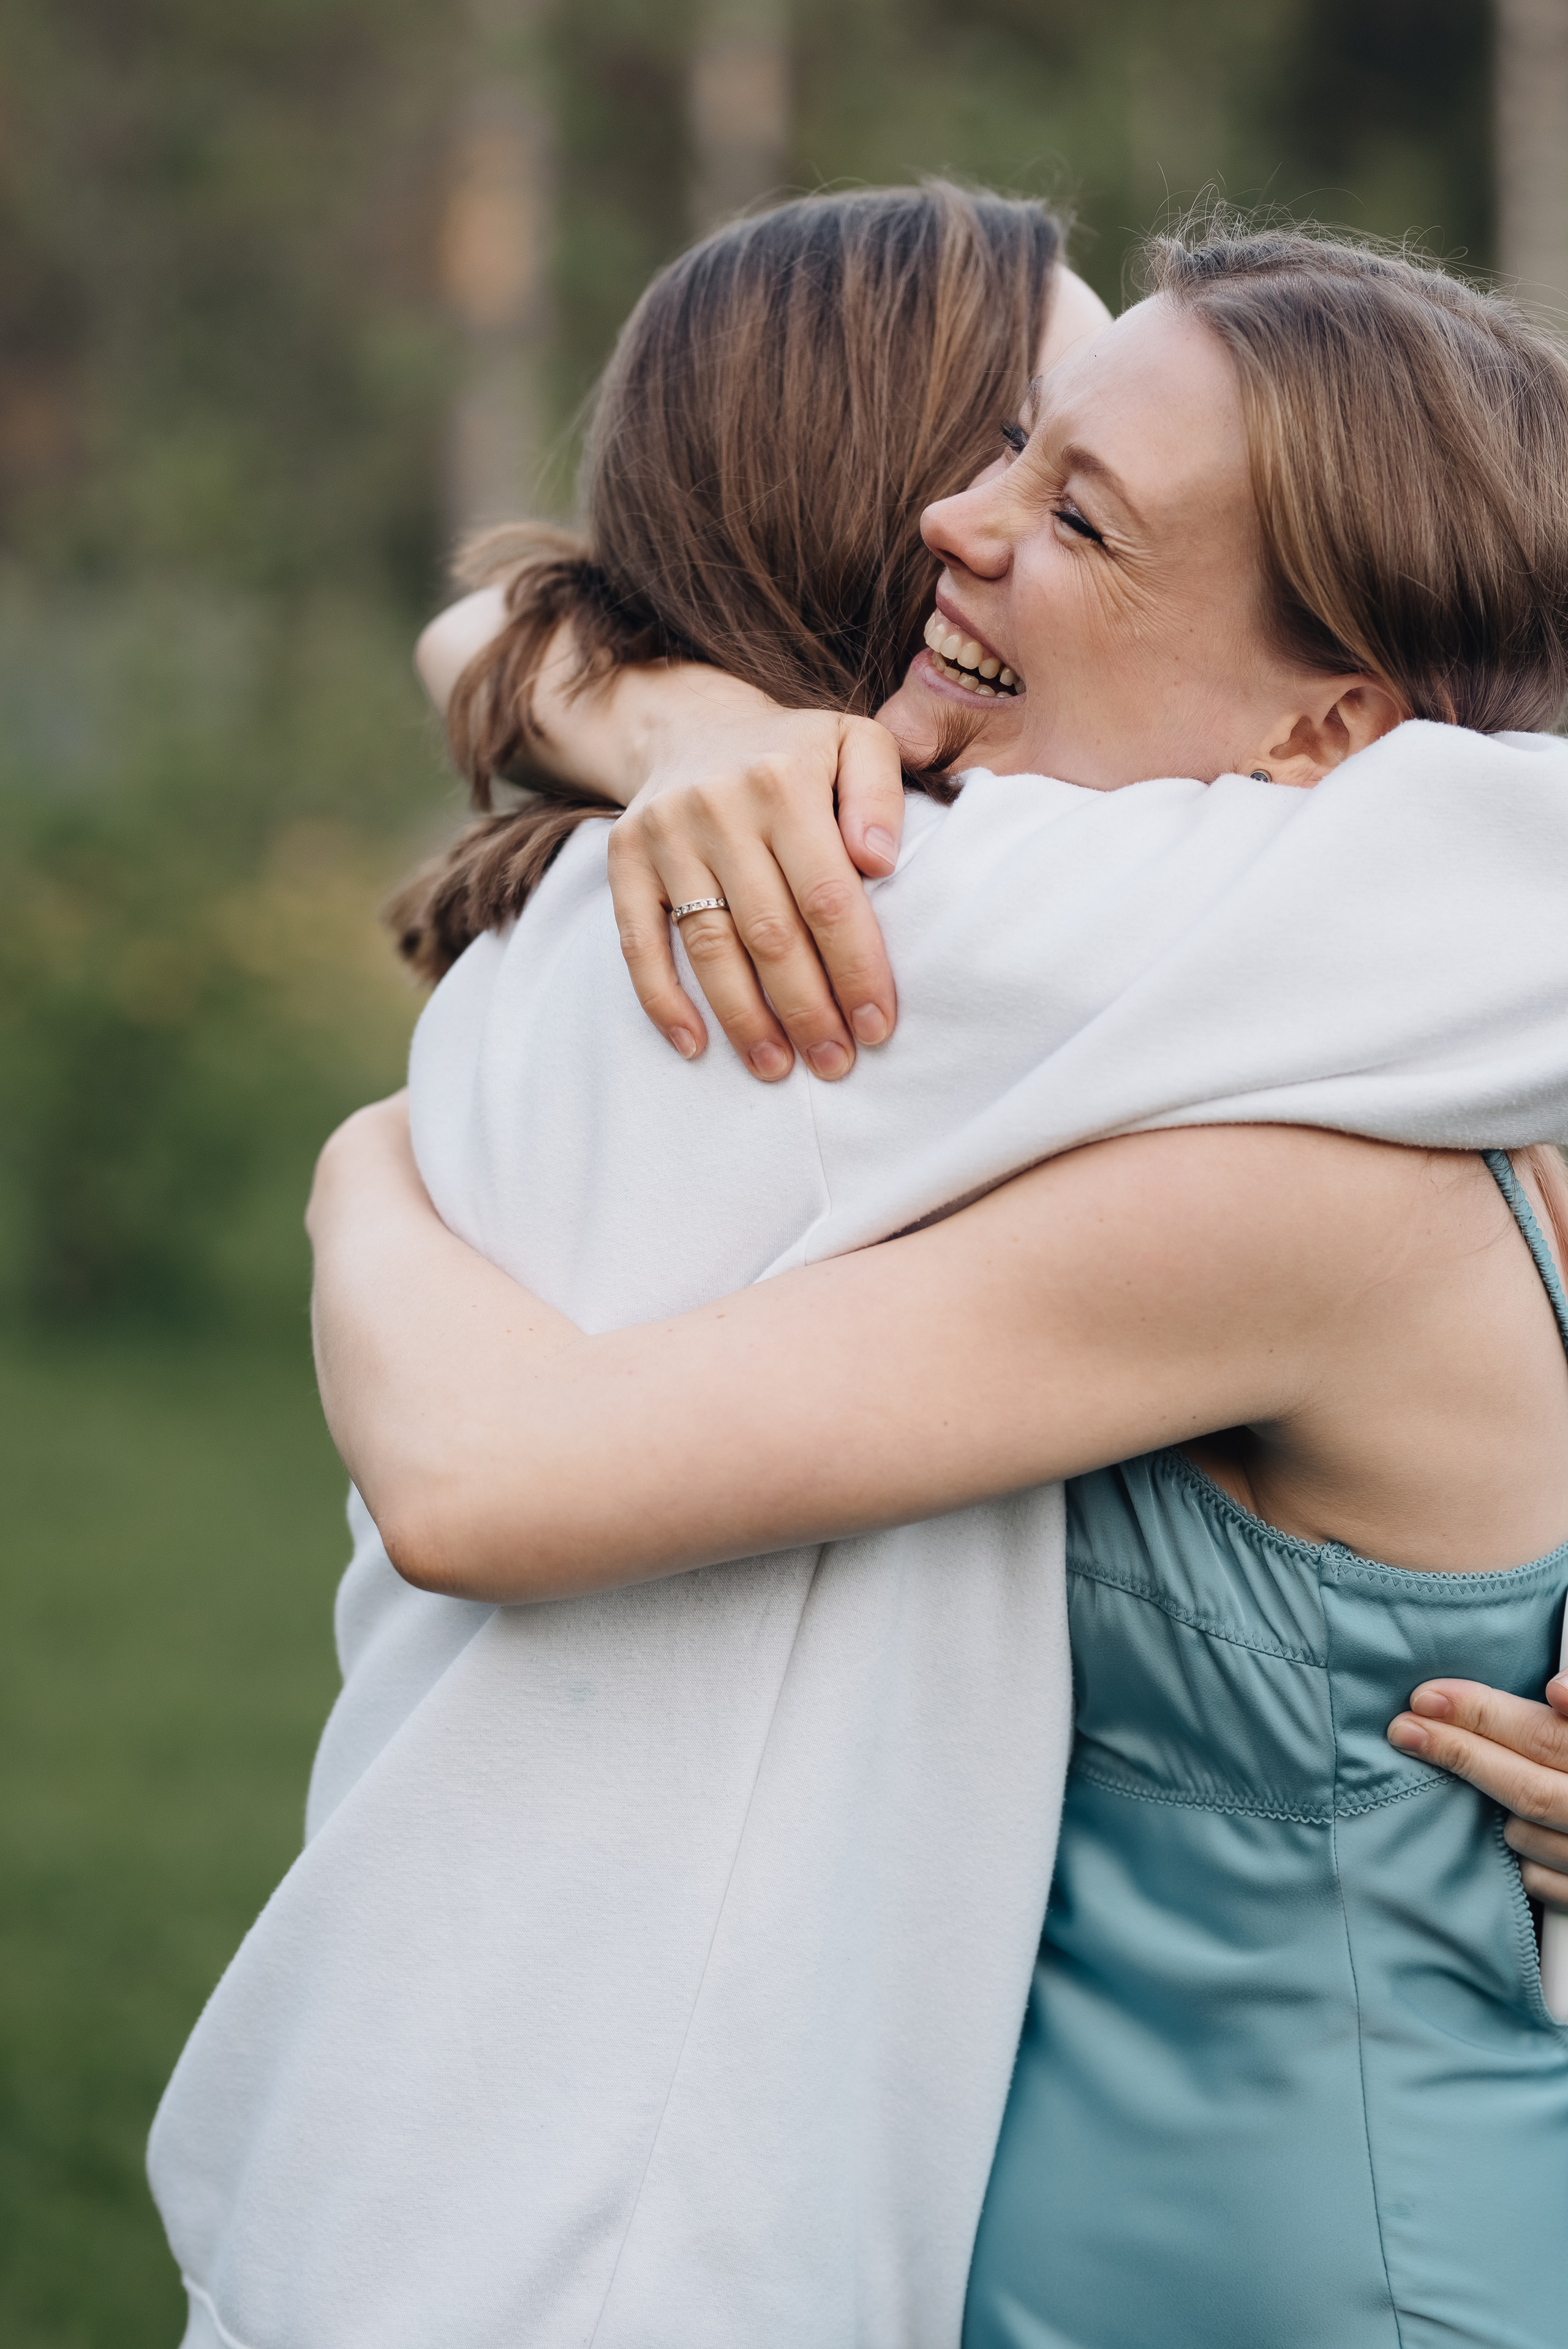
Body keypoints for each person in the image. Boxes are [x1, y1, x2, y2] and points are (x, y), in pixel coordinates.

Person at [153, 210, 1568, 2349]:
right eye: (998, 443)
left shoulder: (754, 923)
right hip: (674, 2221)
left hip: (494, 2153)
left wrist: (375, 1153)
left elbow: (479, 629)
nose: (962, 520)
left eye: (1065, 493)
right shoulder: (917, 928)